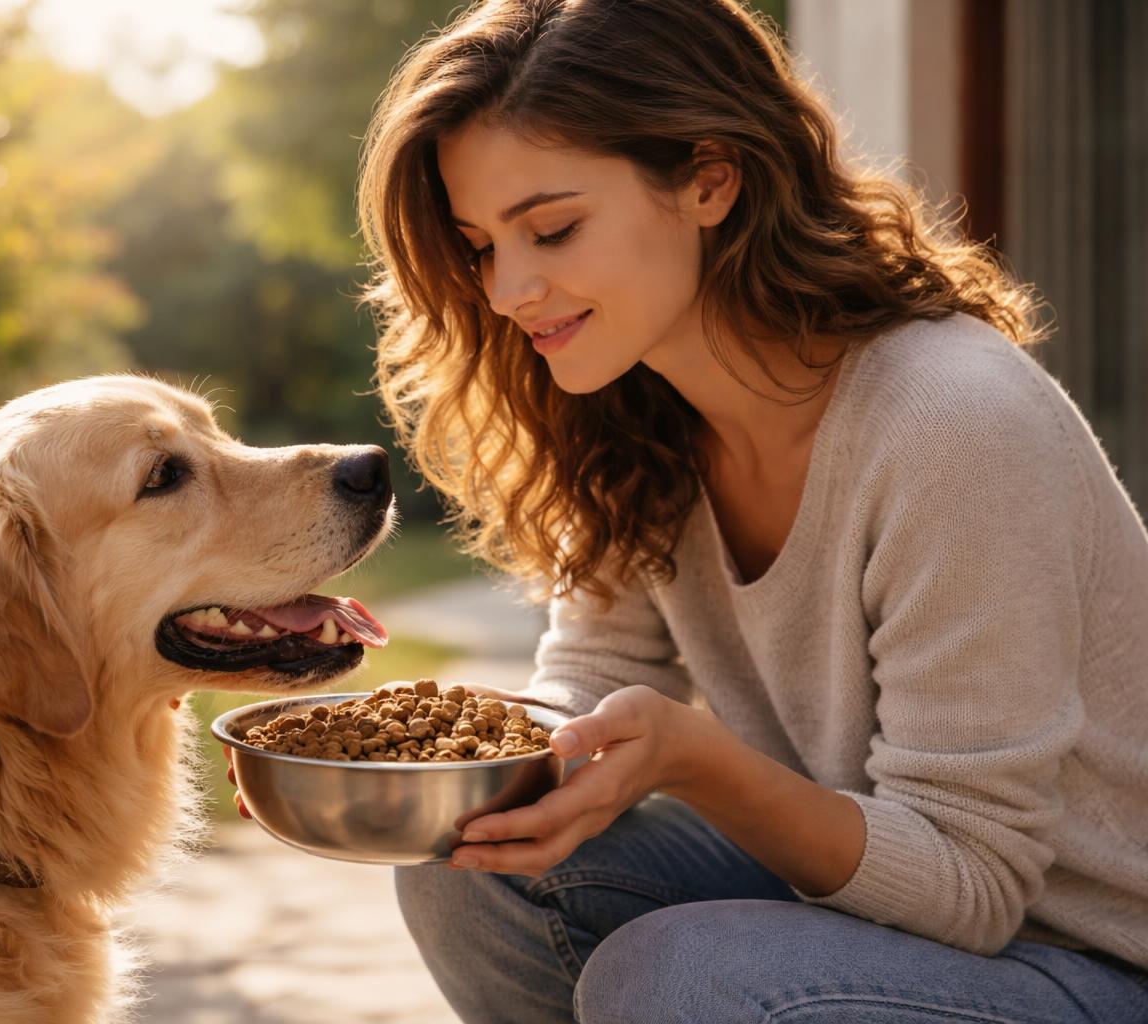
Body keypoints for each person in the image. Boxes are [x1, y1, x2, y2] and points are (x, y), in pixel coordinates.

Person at [341, 0, 1148, 1020]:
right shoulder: (636, 419)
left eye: (552, 229)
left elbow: (975, 886)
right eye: (480, 247)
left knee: (681, 974)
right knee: (473, 860)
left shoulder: (953, 423)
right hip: (881, 920)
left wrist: (694, 759)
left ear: (710, 180)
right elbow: (586, 693)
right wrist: (387, 778)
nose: (508, 289)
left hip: (1091, 957)